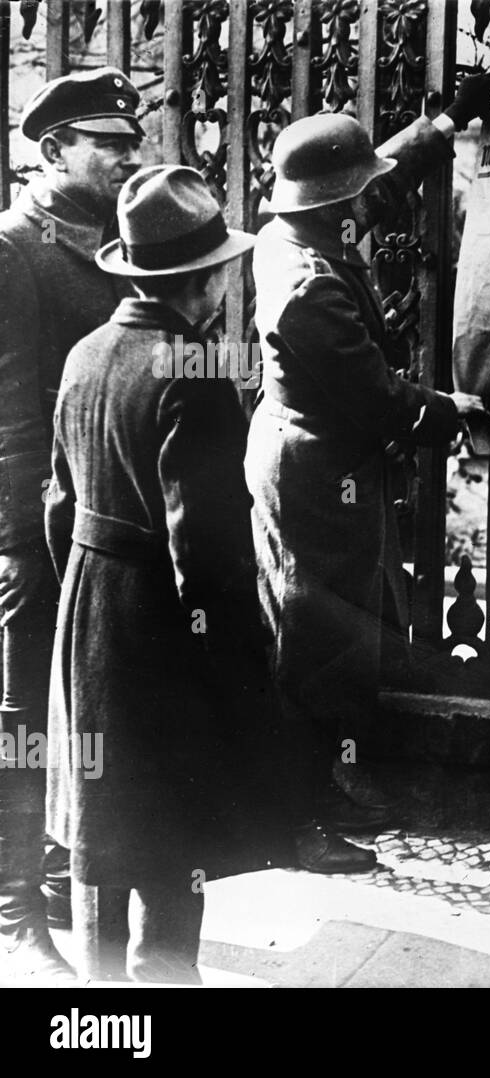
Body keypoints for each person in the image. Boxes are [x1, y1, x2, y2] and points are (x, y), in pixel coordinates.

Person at [246, 73, 490, 873]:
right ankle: (300, 821)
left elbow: (373, 178)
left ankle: (318, 791)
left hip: (312, 460)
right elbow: (376, 398)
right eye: (356, 196)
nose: (368, 203)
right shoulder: (309, 290)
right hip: (315, 476)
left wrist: (442, 126)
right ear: (336, 206)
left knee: (324, 632)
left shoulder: (291, 234)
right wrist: (451, 410)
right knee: (314, 645)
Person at [45, 165, 276, 983]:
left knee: (102, 821)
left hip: (88, 607)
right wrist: (233, 656)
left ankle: (101, 1002)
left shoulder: (85, 353)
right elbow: (204, 545)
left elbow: (57, 504)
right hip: (156, 623)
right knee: (173, 829)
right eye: (224, 267)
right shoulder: (196, 370)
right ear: (204, 279)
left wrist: (84, 589)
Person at [0, 66, 143, 983]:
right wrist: (18, 537)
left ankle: (55, 880)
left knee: (80, 708)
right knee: (21, 716)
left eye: (132, 142)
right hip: (29, 521)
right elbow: (10, 410)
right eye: (110, 144)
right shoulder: (14, 250)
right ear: (53, 152)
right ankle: (15, 909)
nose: (129, 157)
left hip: (93, 519)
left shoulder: (112, 243)